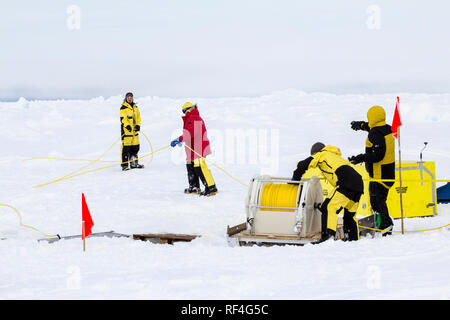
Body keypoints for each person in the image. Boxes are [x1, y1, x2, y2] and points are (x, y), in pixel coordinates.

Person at [292, 142, 364, 243]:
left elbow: (304, 164)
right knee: (350, 214)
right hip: (358, 183)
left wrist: (295, 178)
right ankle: (353, 239)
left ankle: (328, 237)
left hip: (346, 182)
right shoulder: (333, 156)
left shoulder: (321, 154)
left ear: (315, 153)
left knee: (329, 207)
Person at [348, 105, 395, 235]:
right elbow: (373, 128)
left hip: (379, 174)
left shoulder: (375, 133)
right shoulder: (387, 128)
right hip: (388, 172)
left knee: (377, 201)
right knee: (379, 200)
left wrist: (360, 158)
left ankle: (386, 225)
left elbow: (378, 156)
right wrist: (361, 125)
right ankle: (382, 223)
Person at [171, 102, 218, 196]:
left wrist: (180, 139)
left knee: (200, 167)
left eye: (184, 111)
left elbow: (191, 133)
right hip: (192, 148)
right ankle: (194, 187)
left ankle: (211, 187)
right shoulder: (191, 117)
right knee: (191, 167)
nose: (184, 113)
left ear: (188, 109)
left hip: (199, 148)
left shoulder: (193, 117)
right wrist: (182, 140)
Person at [120, 92, 144, 171]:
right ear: (126, 98)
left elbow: (138, 117)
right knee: (126, 148)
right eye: (128, 97)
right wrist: (127, 126)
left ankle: (134, 163)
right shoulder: (123, 107)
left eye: (131, 97)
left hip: (134, 132)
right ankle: (125, 165)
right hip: (127, 132)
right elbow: (123, 118)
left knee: (135, 147)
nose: (130, 98)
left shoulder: (135, 107)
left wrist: (138, 125)